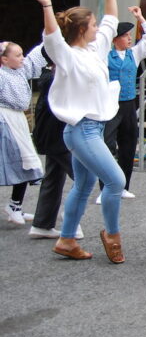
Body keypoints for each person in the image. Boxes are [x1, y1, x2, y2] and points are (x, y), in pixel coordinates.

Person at [36, 0, 126, 263]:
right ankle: (112, 235)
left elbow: (111, 19)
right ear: (82, 29)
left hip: (93, 129)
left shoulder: (95, 49)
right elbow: (52, 37)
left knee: (84, 185)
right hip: (81, 130)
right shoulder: (67, 55)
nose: (98, 28)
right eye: (93, 25)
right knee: (116, 181)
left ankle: (67, 239)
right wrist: (47, 5)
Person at [101, 7, 146, 201]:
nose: (129, 38)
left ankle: (124, 186)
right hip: (110, 104)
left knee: (128, 145)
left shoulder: (133, 53)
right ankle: (105, 188)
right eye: (125, 36)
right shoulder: (105, 55)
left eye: (129, 35)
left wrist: (141, 18)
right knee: (107, 145)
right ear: (115, 39)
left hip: (128, 104)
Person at [28, 52, 83, 240]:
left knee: (53, 177)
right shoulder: (54, 78)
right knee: (83, 176)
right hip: (57, 135)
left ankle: (42, 224)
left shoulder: (51, 75)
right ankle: (70, 219)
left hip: (53, 135)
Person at [0, 39, 46, 226]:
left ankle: (15, 205)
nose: (22, 58)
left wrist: (52, 35)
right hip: (3, 120)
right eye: (17, 55)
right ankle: (14, 206)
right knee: (12, 160)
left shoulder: (20, 70)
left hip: (17, 120)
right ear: (4, 59)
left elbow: (35, 56)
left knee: (26, 161)